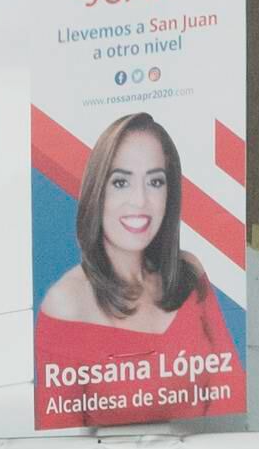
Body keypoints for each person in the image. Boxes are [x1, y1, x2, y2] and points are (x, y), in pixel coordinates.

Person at [34, 113, 237, 370]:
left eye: (155, 182)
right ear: (97, 191)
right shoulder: (66, 303)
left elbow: (230, 381)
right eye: (121, 182)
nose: (140, 200)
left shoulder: (188, 272)